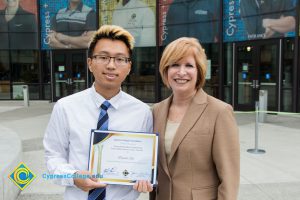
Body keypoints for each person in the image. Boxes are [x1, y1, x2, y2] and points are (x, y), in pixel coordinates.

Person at [43, 25, 153, 200]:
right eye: (103, 57)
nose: (111, 65)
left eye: (119, 59)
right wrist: (73, 176)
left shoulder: (143, 112)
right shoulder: (65, 107)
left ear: (129, 66)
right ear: (90, 63)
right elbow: (53, 157)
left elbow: (146, 163)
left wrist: (145, 178)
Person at [151, 37, 240, 200]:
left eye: (189, 65)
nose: (181, 72)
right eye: (175, 65)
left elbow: (229, 178)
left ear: (199, 71)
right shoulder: (156, 111)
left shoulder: (220, 112)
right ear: (166, 70)